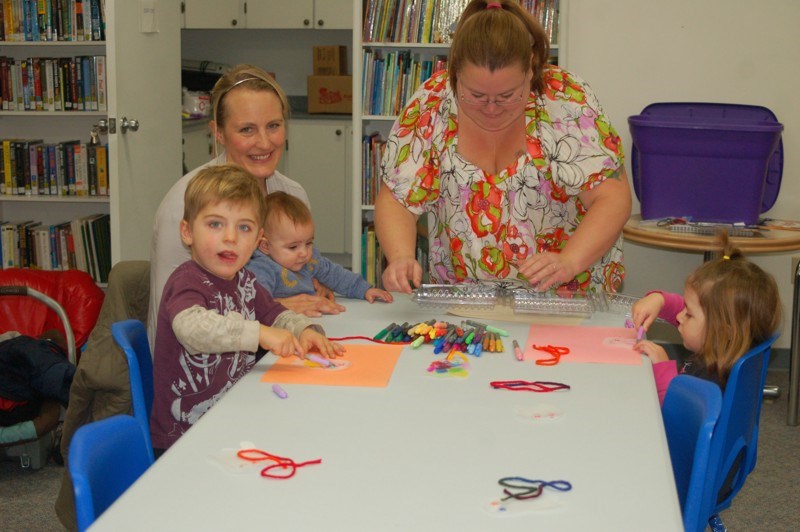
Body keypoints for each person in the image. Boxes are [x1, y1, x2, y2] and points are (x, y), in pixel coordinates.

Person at [375, 0, 631, 294]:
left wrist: (569, 261)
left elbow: (612, 197)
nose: (492, 108)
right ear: (455, 71)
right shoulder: (432, 104)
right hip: (464, 303)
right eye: (476, 95)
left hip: (569, 298)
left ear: (531, 68)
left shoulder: (565, 101)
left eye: (508, 95)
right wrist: (401, 256)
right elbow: (396, 197)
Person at [150, 165, 344, 453]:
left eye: (244, 227)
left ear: (257, 241)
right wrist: (259, 334)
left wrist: (304, 329)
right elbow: (191, 328)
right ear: (187, 232)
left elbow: (275, 313)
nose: (231, 237)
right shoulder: (186, 281)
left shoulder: (246, 281)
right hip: (184, 438)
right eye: (215, 224)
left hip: (233, 417)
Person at [149, 65, 344, 345]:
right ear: (218, 132)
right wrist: (276, 308)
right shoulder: (184, 205)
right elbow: (175, 321)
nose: (264, 142)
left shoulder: (292, 195)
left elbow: (295, 269)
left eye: (273, 126)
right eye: (247, 129)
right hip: (201, 374)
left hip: (274, 353)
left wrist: (310, 284)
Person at [631, 234, 781, 405]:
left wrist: (663, 368)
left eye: (689, 314)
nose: (680, 316)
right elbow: (699, 318)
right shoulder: (732, 345)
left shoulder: (710, 379)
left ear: (723, 330)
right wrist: (661, 300)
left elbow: (675, 418)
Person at [248, 191, 393, 303]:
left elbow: (335, 274)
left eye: (308, 243)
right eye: (293, 247)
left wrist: (364, 290)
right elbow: (259, 307)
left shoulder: (309, 261)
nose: (304, 253)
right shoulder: (261, 268)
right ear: (265, 246)